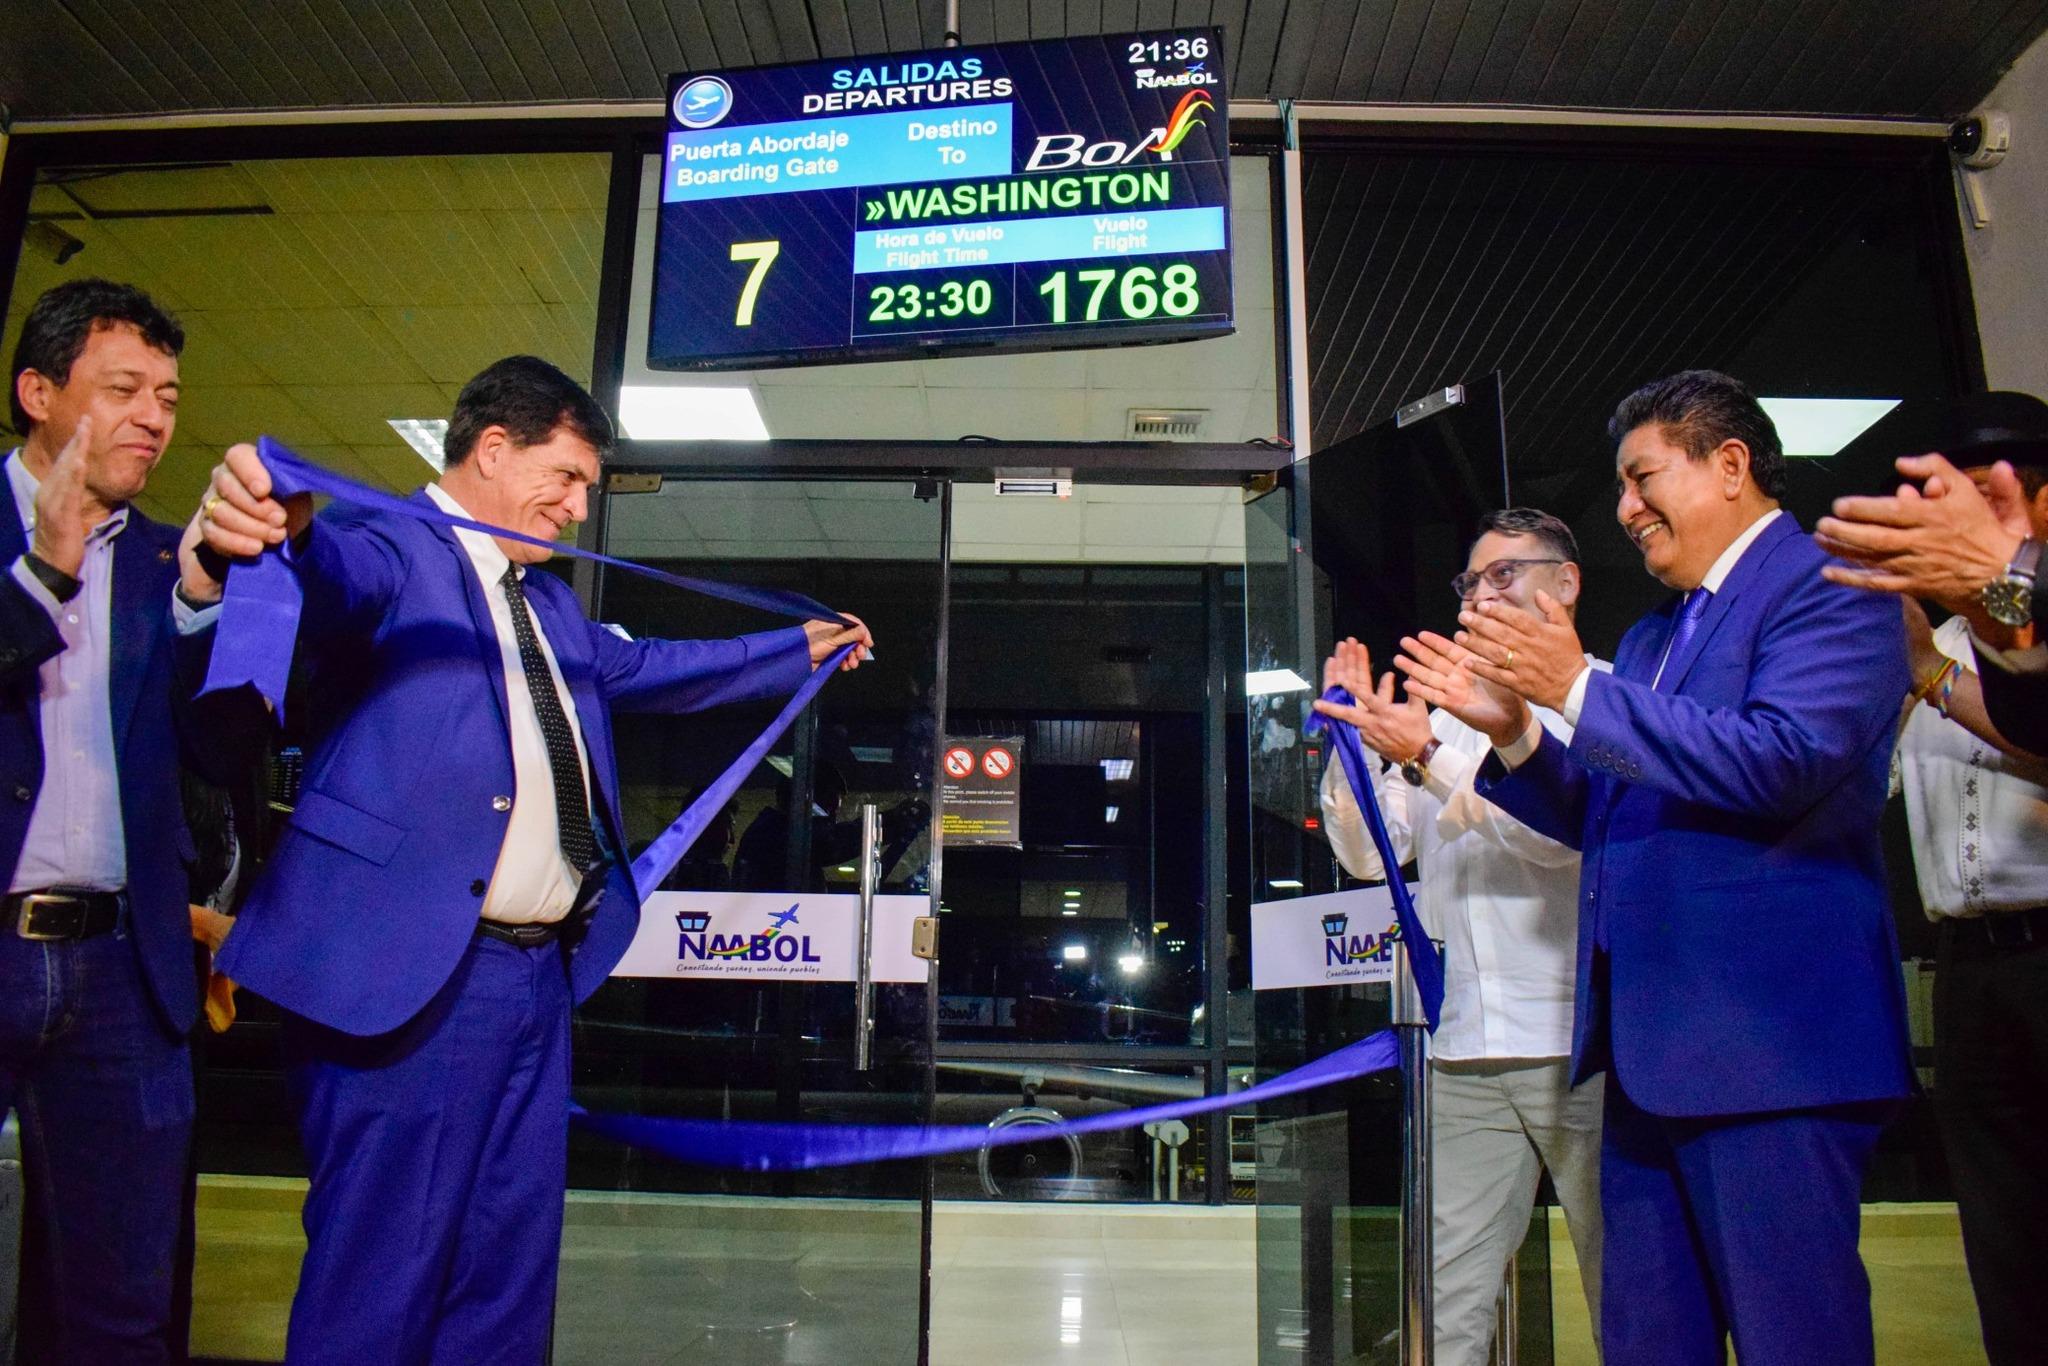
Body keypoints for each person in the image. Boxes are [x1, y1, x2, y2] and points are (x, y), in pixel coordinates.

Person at [175, 355, 873, 1364]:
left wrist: (798, 647)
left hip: (535, 978)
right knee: (384, 1271)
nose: (579, 507)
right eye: (568, 476)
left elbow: (653, 667)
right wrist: (284, 528)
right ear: (494, 450)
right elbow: (327, 575)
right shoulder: (392, 548)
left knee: (506, 1270)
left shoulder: (548, 608)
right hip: (412, 977)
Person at [1401, 370, 1911, 1364]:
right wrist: (1513, 733)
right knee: (1644, 1341)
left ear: (1730, 464)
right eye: (1622, 487)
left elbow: (1783, 760)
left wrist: (1572, 688)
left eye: (1642, 478)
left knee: (1792, 1338)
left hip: (1767, 1052)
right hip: (1643, 1064)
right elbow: (1604, 818)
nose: (1626, 509)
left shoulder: (1832, 586)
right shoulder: (1650, 638)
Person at [0, 278, 234, 1361]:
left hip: (122, 977)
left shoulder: (168, 560)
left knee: (123, 1301)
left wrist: (204, 607)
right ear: (38, 392)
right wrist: (43, 576)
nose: (154, 417)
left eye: (169, 398)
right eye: (124, 389)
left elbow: (221, 753)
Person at [1311, 508, 1606, 1366]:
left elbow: (1562, 839)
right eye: (1471, 582)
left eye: (1503, 575)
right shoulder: (1446, 717)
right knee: (1443, 1300)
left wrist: (1428, 754)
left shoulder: (1606, 702)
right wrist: (1360, 748)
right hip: (1465, 1048)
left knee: (1626, 1283)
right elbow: (1370, 855)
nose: (1480, 595)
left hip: (1581, 1046)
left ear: (1566, 583)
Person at [1824, 394, 2048, 1365]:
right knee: (2001, 1230)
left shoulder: (1981, 636)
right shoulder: (1933, 642)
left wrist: (1932, 670)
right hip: (1966, 963)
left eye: (1978, 493)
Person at [1819, 392, 2048, 754]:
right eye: (1938, 505)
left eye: (1983, 501)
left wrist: (1930, 667)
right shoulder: (1952, 637)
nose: (1952, 526)